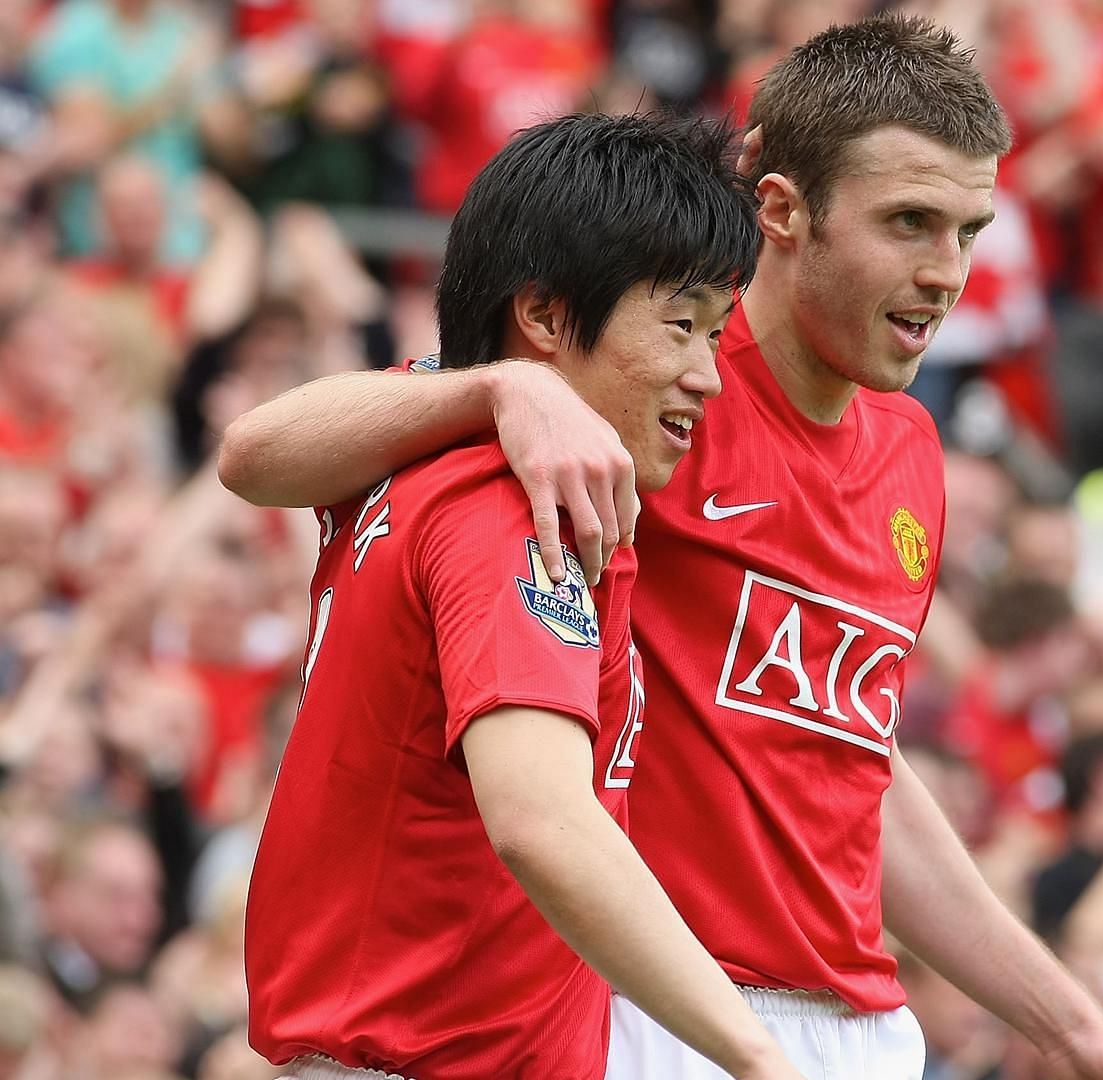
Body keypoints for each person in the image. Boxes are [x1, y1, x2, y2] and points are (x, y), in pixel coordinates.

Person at [220, 14, 1103, 1080]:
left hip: (858, 1015)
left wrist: (1080, 1034)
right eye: (909, 222)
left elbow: (851, 763)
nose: (946, 272)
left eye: (969, 230)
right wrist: (504, 389)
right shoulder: (620, 384)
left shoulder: (904, 446)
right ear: (780, 211)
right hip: (658, 1007)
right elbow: (263, 454)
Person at [239, 112, 803, 1080]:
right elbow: (540, 820)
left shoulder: (429, 430)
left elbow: (252, 453)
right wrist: (761, 1060)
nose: (708, 374)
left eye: (716, 331)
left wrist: (501, 388)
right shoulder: (514, 506)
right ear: (543, 316)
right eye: (680, 324)